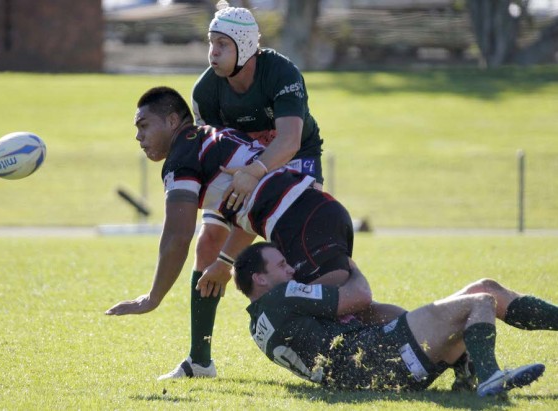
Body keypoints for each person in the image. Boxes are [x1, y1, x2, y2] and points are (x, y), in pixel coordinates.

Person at [105, 86, 400, 374]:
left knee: (340, 310)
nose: (138, 136)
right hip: (313, 215)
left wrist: (152, 298)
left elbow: (177, 235)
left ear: (172, 121)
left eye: (144, 125)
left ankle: (423, 348)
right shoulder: (215, 140)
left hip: (303, 223)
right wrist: (223, 261)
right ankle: (427, 340)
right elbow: (252, 215)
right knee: (347, 310)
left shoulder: (183, 155)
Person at [168, 5, 327, 380]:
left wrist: (254, 174)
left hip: (297, 159)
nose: (213, 52)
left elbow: (288, 141)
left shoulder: (281, 72)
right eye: (211, 43)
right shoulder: (206, 91)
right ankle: (199, 360)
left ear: (245, 45)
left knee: (297, 263)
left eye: (223, 44)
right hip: (243, 165)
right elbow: (214, 152)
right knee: (207, 243)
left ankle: (328, 346)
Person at [233, 241, 557, 396]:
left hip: (376, 363)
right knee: (481, 301)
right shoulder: (282, 295)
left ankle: (467, 370)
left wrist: (422, 323)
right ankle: (489, 377)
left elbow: (366, 312)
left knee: (485, 287)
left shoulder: (260, 322)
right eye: (280, 265)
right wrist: (348, 263)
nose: (290, 269)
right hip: (379, 359)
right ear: (259, 279)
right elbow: (360, 296)